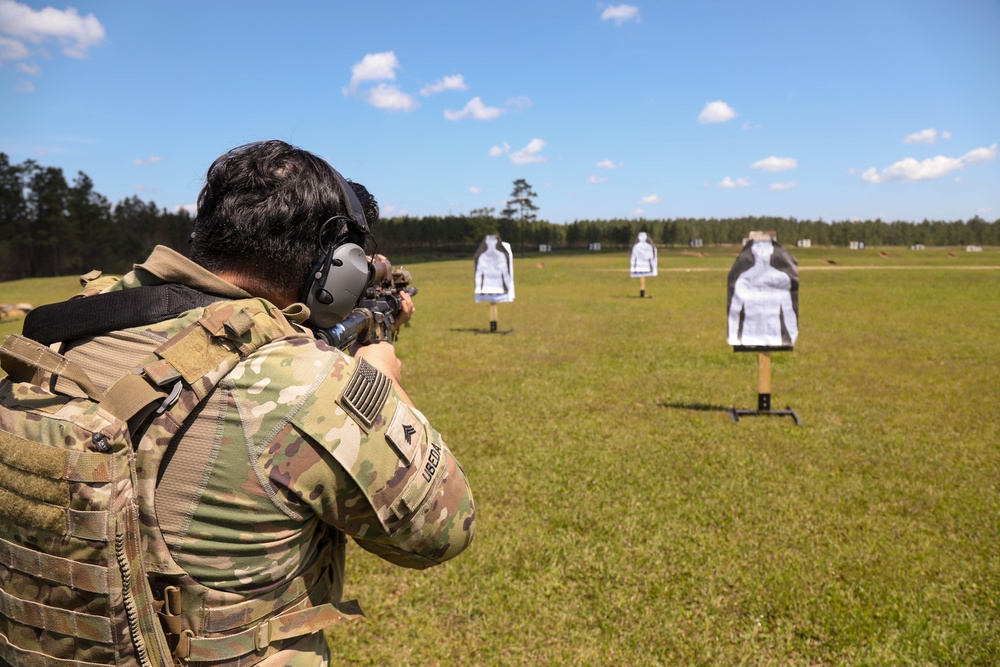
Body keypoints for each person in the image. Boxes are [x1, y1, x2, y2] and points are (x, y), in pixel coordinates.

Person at [49, 140, 476, 665]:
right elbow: (443, 530)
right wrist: (377, 381)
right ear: (336, 273)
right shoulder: (301, 381)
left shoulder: (63, 335)